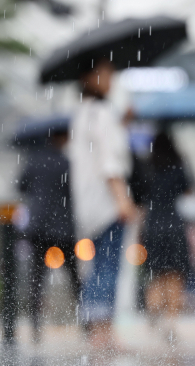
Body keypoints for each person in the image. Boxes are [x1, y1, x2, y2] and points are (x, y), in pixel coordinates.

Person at [68, 58, 136, 351]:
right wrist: (123, 199)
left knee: (97, 265)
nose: (110, 78)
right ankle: (102, 332)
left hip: (87, 203)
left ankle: (97, 329)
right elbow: (110, 162)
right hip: (107, 202)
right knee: (108, 265)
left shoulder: (83, 113)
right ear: (89, 78)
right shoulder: (103, 112)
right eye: (104, 72)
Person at [18, 129, 80, 344]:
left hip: (39, 227)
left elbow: (21, 186)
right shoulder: (67, 163)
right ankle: (86, 324)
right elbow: (75, 191)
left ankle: (35, 327)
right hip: (64, 228)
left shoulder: (34, 161)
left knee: (37, 279)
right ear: (61, 138)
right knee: (74, 277)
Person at [141, 131, 191, 340]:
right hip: (174, 225)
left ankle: (153, 310)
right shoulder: (178, 168)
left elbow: (141, 196)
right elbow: (189, 191)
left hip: (152, 226)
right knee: (175, 274)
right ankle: (170, 321)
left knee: (156, 272)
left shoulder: (148, 168)